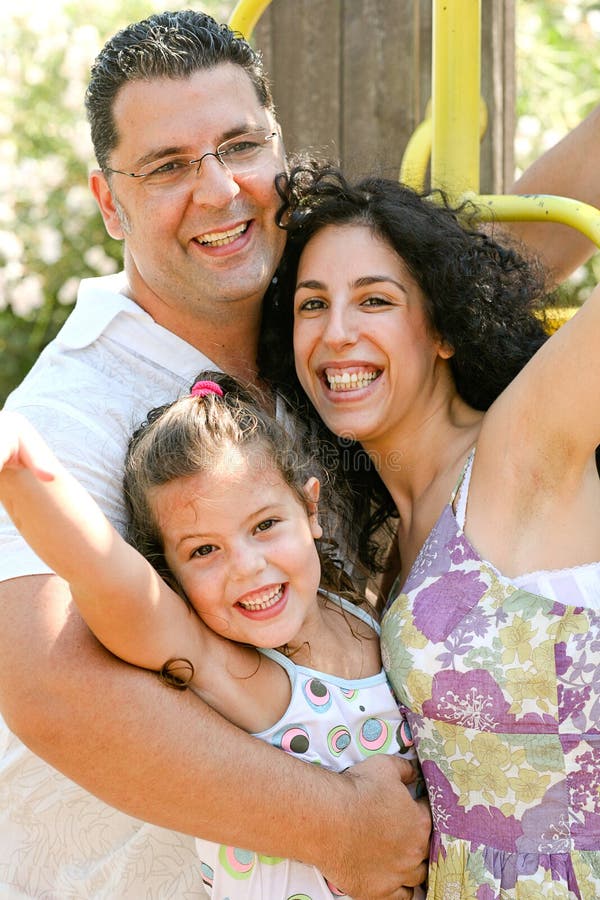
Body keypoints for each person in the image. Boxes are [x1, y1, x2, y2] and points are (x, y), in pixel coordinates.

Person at [0, 7, 598, 898]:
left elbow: (478, 271)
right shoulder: (73, 404)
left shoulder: (310, 339)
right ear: (107, 202)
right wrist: (339, 825)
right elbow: (47, 685)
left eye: (241, 145)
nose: (218, 190)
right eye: (168, 165)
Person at [267, 162, 600, 897]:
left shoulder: (518, 450)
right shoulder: (379, 542)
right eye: (312, 304)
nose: (338, 334)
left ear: (444, 327)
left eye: (375, 300)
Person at [0, 371, 425, 900]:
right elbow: (111, 581)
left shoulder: (365, 615)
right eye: (204, 551)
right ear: (172, 577)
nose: (246, 567)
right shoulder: (235, 672)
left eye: (265, 525)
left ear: (310, 508)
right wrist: (19, 463)